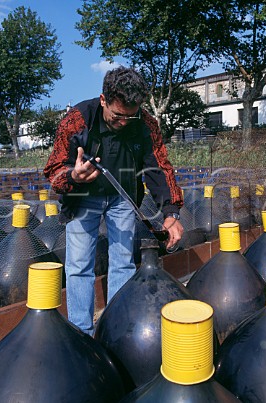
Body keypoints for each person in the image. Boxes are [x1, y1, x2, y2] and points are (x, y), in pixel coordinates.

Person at [44, 66, 184, 336]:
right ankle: (83, 332)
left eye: (130, 117)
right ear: (103, 100)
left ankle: (114, 330)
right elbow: (54, 172)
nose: (123, 123)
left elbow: (159, 167)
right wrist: (74, 176)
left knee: (123, 262)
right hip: (82, 199)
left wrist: (171, 211)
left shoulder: (144, 123)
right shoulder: (78, 119)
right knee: (79, 266)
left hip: (122, 198)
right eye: (117, 116)